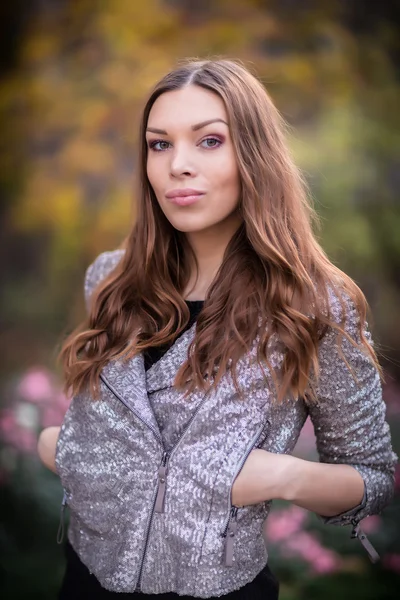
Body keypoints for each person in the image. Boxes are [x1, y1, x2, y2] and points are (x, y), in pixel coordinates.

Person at [37, 58, 397, 600]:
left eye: (208, 141)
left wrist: (280, 476)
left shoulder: (315, 305)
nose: (178, 164)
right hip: (85, 581)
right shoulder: (110, 280)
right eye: (159, 145)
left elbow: (375, 478)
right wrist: (62, 447)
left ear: (253, 154)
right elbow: (110, 433)